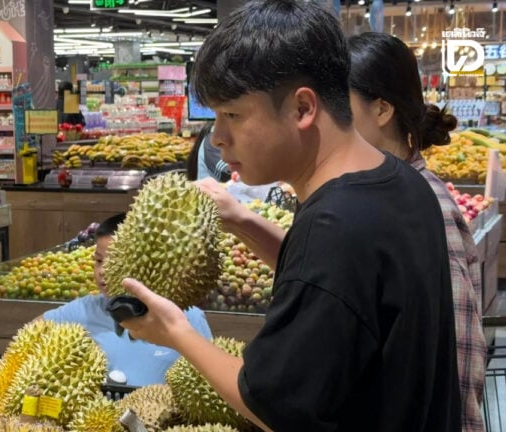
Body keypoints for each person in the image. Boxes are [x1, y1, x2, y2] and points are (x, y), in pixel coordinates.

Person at [117, 1, 461, 431]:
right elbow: (341, 290)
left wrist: (175, 332)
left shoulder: (334, 226)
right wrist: (243, 221)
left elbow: (272, 405)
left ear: (302, 109)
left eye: (233, 115)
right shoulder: (403, 181)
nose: (217, 138)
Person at [348, 32, 487, 432]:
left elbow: (460, 351)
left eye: (340, 105)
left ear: (381, 109)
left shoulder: (423, 206)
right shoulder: (377, 193)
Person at [41, 213, 212, 387]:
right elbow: (30, 337)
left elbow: (209, 385)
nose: (102, 271)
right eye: (99, 260)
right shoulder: (83, 311)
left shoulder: (187, 318)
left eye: (116, 262)